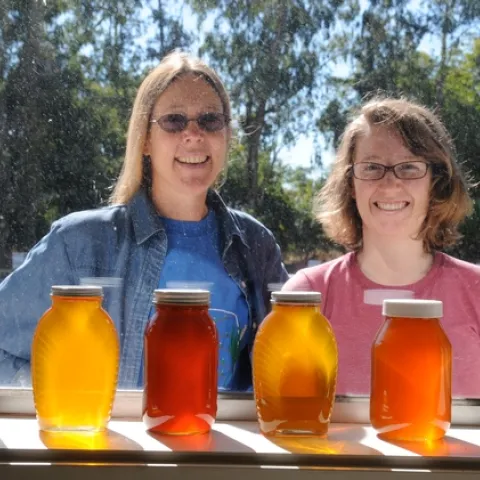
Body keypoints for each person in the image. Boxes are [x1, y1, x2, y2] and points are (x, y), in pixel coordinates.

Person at [0, 51, 289, 390]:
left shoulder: (256, 244)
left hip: (225, 443)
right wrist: (68, 402)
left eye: (210, 120)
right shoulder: (79, 244)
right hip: (121, 444)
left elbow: (287, 362)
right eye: (174, 121)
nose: (193, 134)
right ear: (146, 140)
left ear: (226, 135)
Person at [283, 97, 480, 398]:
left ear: (436, 181)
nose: (389, 185)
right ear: (350, 183)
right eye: (372, 167)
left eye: (409, 168)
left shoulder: (476, 292)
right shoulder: (308, 297)